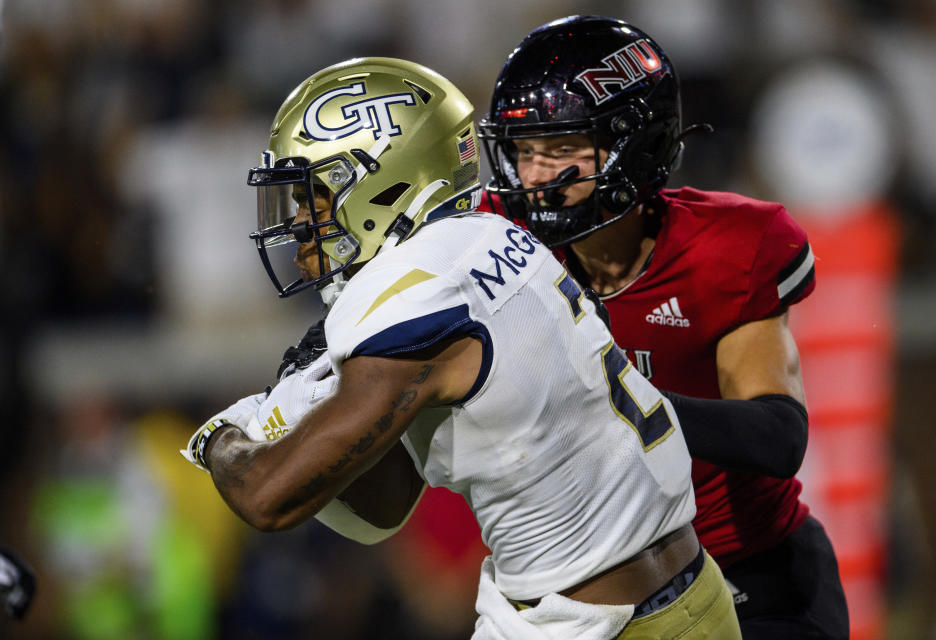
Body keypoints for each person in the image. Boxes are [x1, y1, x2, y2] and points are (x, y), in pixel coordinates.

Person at [180, 56, 741, 639]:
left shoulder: (416, 292)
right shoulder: (483, 238)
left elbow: (268, 498)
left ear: (380, 183)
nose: (298, 227)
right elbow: (385, 507)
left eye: (312, 199)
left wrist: (226, 435)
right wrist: (315, 414)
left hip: (612, 623)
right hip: (657, 598)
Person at [477, 15, 849, 640]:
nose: (533, 176)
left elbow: (777, 435)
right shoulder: (496, 236)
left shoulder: (728, 248)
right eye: (522, 150)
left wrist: (612, 393)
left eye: (562, 148)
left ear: (636, 144)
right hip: (586, 595)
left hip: (750, 578)